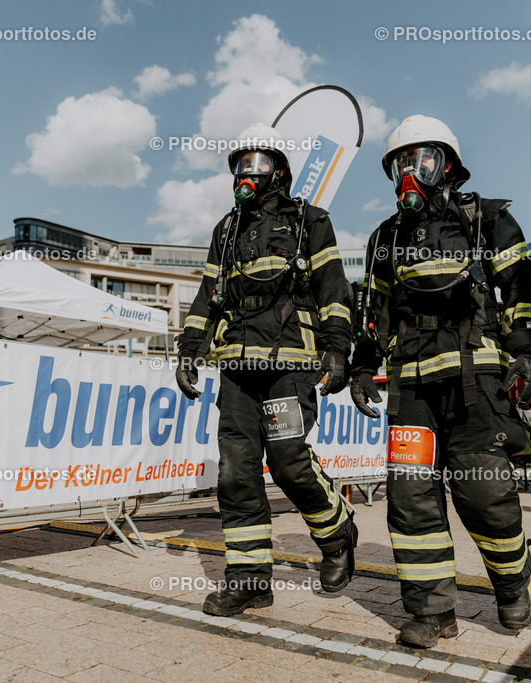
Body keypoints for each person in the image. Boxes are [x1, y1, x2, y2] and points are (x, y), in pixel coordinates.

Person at [349, 115, 531, 648]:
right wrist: (360, 366)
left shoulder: (487, 220)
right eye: (400, 163)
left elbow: (525, 287)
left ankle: (512, 583)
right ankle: (431, 612)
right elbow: (373, 311)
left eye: (423, 159)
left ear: (449, 166)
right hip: (410, 389)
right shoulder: (386, 237)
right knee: (411, 498)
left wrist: (530, 355)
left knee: (485, 495)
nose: (410, 171)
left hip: (477, 379)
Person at [175, 123, 356, 617]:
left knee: (289, 460)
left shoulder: (311, 221)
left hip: (291, 364)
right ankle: (250, 580)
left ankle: (338, 532)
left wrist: (337, 347)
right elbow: (206, 296)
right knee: (235, 473)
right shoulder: (226, 229)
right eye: (239, 164)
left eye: (255, 164)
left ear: (278, 171)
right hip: (237, 366)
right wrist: (190, 347)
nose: (244, 174)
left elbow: (335, 291)